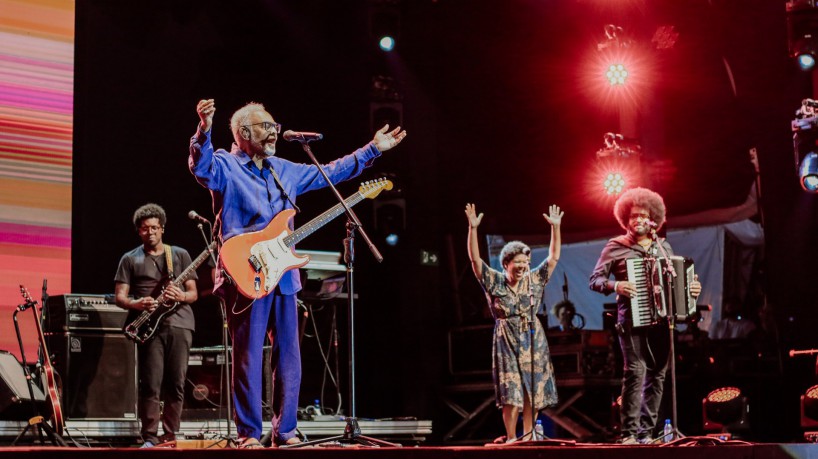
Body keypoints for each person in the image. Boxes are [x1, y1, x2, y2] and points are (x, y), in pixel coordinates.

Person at [189, 99, 406, 448]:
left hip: (284, 276)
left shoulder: (284, 168)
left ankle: (285, 431)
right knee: (247, 355)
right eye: (265, 126)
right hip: (246, 273)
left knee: (289, 355)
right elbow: (200, 166)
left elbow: (331, 172)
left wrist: (372, 150)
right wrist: (204, 128)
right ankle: (248, 434)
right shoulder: (226, 166)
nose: (274, 130)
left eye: (275, 125)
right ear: (244, 133)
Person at [589, 188, 701, 444]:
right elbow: (594, 280)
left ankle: (647, 433)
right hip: (631, 319)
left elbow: (678, 283)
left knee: (658, 374)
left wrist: (692, 291)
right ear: (626, 219)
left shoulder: (663, 247)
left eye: (644, 216)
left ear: (654, 219)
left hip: (662, 320)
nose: (638, 220)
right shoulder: (615, 247)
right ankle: (628, 433)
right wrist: (616, 286)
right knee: (636, 372)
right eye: (634, 216)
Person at [465, 203, 563, 443]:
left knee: (533, 389)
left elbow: (553, 258)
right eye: (517, 261)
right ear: (506, 263)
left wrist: (556, 228)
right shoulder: (495, 281)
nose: (522, 266)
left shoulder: (534, 281)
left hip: (532, 336)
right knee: (511, 391)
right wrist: (472, 228)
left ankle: (529, 435)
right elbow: (475, 260)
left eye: (525, 262)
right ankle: (511, 437)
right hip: (506, 338)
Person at [114, 203, 198, 448]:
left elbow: (193, 293)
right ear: (138, 231)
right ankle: (150, 437)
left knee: (176, 382)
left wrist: (180, 296)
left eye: (154, 228)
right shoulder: (130, 259)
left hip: (180, 324)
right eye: (144, 229)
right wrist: (137, 303)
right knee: (150, 383)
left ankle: (171, 435)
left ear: (162, 228)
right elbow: (120, 296)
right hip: (149, 327)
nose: (149, 233)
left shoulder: (179, 255)